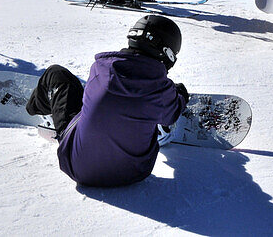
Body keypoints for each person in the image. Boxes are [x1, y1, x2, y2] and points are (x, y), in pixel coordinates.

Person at [26, 14, 189, 187]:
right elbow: (172, 114)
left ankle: (37, 106)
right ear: (168, 53)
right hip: (134, 173)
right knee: (152, 110)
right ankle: (154, 128)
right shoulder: (161, 90)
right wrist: (179, 94)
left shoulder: (100, 69)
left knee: (56, 73)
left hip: (78, 168)